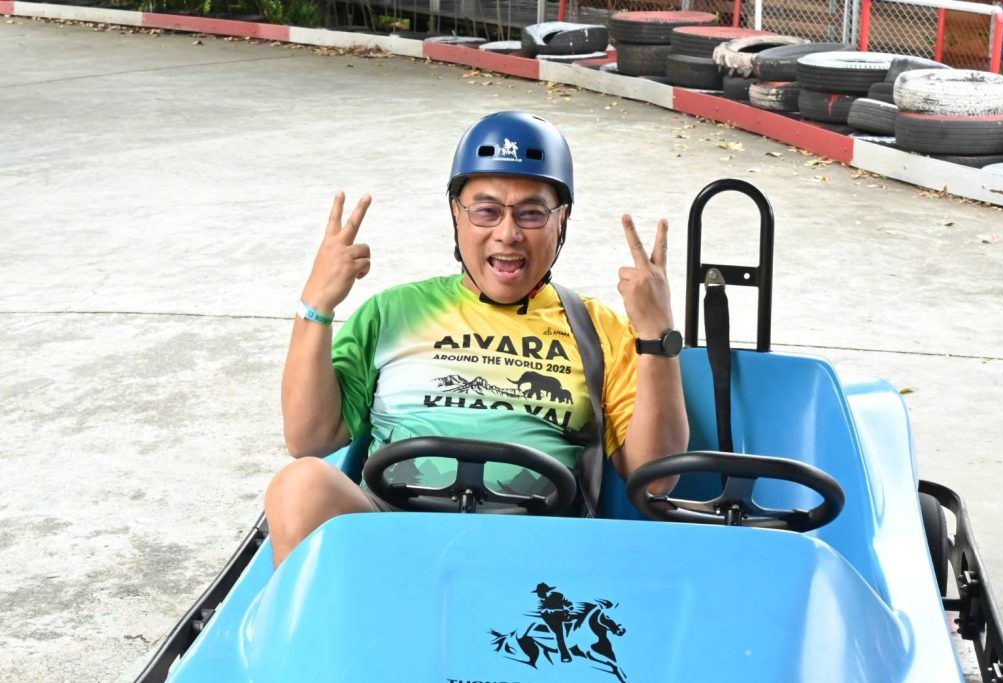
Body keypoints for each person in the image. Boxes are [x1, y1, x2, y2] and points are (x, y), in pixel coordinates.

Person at [265, 111, 689, 568]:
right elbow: (307, 438)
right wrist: (317, 302)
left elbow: (655, 480)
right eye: (487, 211)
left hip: (538, 546)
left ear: (561, 220)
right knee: (300, 484)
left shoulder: (596, 327)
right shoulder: (392, 311)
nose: (508, 234)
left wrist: (656, 334)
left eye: (531, 213)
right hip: (392, 529)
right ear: (456, 213)